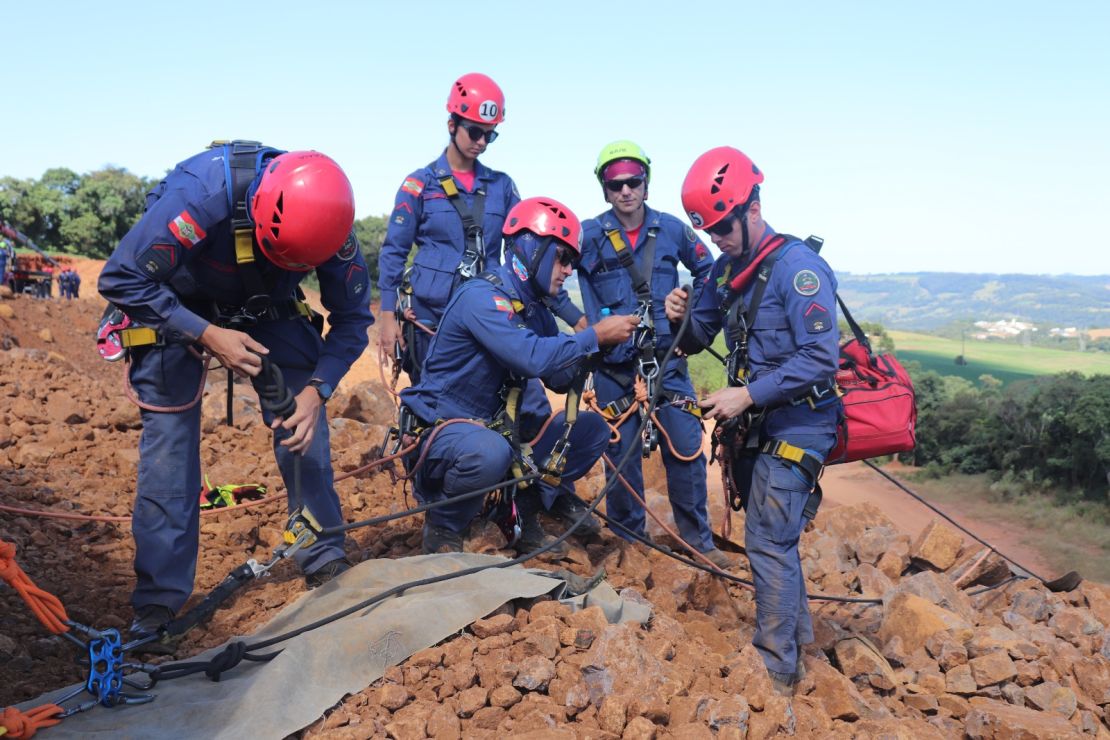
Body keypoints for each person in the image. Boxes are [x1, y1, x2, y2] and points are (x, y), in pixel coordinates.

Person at [99, 141, 373, 645]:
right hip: (172, 302)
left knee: (302, 422)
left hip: (264, 304)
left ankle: (323, 555)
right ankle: (158, 602)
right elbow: (121, 276)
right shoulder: (201, 193)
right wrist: (204, 333)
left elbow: (354, 320)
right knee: (171, 441)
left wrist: (318, 389)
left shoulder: (332, 224)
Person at [664, 146, 841, 695]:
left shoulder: (798, 270)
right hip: (760, 422)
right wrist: (683, 316)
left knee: (767, 539)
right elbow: (697, 338)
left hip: (802, 423)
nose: (718, 239)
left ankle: (776, 671)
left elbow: (819, 358)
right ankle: (799, 641)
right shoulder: (725, 271)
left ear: (753, 206)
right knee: (774, 538)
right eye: (711, 231)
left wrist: (747, 395)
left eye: (723, 228)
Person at [400, 197, 639, 556]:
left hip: (491, 436)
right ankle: (445, 524)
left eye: (572, 261)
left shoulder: (533, 309)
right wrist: (594, 336)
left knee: (591, 430)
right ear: (531, 248)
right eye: (563, 257)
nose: (568, 270)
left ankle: (521, 512)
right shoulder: (482, 298)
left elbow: (558, 377)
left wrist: (601, 347)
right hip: (442, 437)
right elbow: (531, 359)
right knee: (490, 450)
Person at [577, 141, 732, 568]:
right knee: (621, 457)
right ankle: (630, 546)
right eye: (616, 184)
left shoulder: (673, 230)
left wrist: (691, 308)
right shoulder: (588, 234)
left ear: (646, 184)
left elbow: (711, 269)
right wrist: (576, 320)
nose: (626, 191)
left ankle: (698, 542)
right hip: (613, 366)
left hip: (668, 360)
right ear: (605, 189)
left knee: (685, 448)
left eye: (634, 182)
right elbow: (545, 269)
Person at [376, 72, 584, 384]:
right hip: (431, 322)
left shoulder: (503, 187)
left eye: (491, 135)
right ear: (451, 125)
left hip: (489, 317)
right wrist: (387, 315)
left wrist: (576, 319)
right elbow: (394, 252)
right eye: (474, 132)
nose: (482, 142)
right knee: (432, 410)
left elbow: (533, 257)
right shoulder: (419, 184)